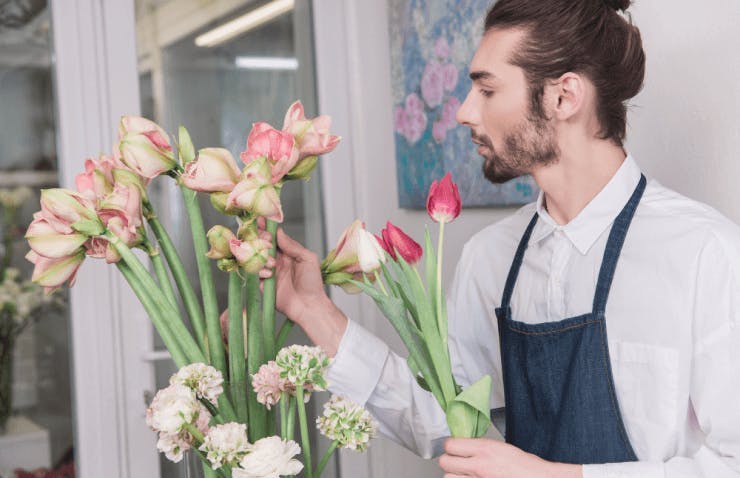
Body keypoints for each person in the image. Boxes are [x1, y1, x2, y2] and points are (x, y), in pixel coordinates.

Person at [259, 0, 740, 476]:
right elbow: (437, 418)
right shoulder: (490, 257)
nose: (466, 112)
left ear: (564, 97)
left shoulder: (702, 252)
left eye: (487, 90)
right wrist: (312, 310)